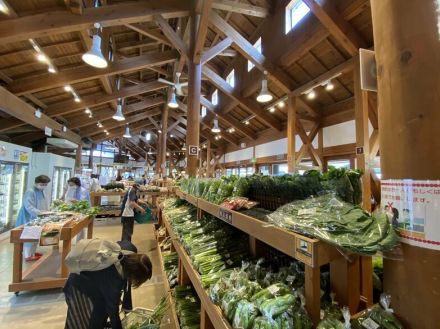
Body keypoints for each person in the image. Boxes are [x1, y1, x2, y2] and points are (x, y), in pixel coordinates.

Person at [63, 240, 152, 329]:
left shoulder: (130, 250)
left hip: (88, 277)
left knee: (102, 311)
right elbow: (112, 310)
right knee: (89, 321)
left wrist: (126, 306)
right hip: (79, 288)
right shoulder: (115, 280)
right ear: (133, 275)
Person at [15, 175, 51, 262]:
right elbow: (29, 206)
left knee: (36, 236)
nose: (44, 186)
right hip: (29, 217)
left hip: (38, 217)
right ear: (36, 183)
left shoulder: (42, 191)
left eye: (45, 184)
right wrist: (40, 212)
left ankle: (33, 253)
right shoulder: (30, 192)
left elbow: (44, 203)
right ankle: (28, 255)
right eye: (42, 184)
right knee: (29, 236)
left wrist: (47, 212)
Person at [65, 177, 91, 241]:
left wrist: (77, 202)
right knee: (70, 226)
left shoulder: (83, 191)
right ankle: (69, 240)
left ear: (77, 184)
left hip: (81, 211)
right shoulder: (70, 189)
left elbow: (85, 203)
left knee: (80, 227)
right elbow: (67, 198)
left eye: (72, 185)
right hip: (72, 210)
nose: (71, 186)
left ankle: (80, 242)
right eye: (70, 185)